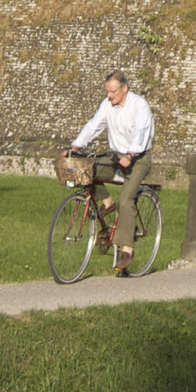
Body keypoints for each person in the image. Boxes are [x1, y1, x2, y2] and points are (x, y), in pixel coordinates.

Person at [68, 71, 155, 274]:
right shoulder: (107, 105)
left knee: (126, 200)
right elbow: (94, 125)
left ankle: (127, 250)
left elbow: (142, 132)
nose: (109, 96)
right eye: (107, 91)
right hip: (116, 156)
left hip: (138, 158)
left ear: (124, 89)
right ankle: (107, 202)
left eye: (112, 91)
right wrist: (75, 146)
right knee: (86, 171)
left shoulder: (139, 106)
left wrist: (131, 154)